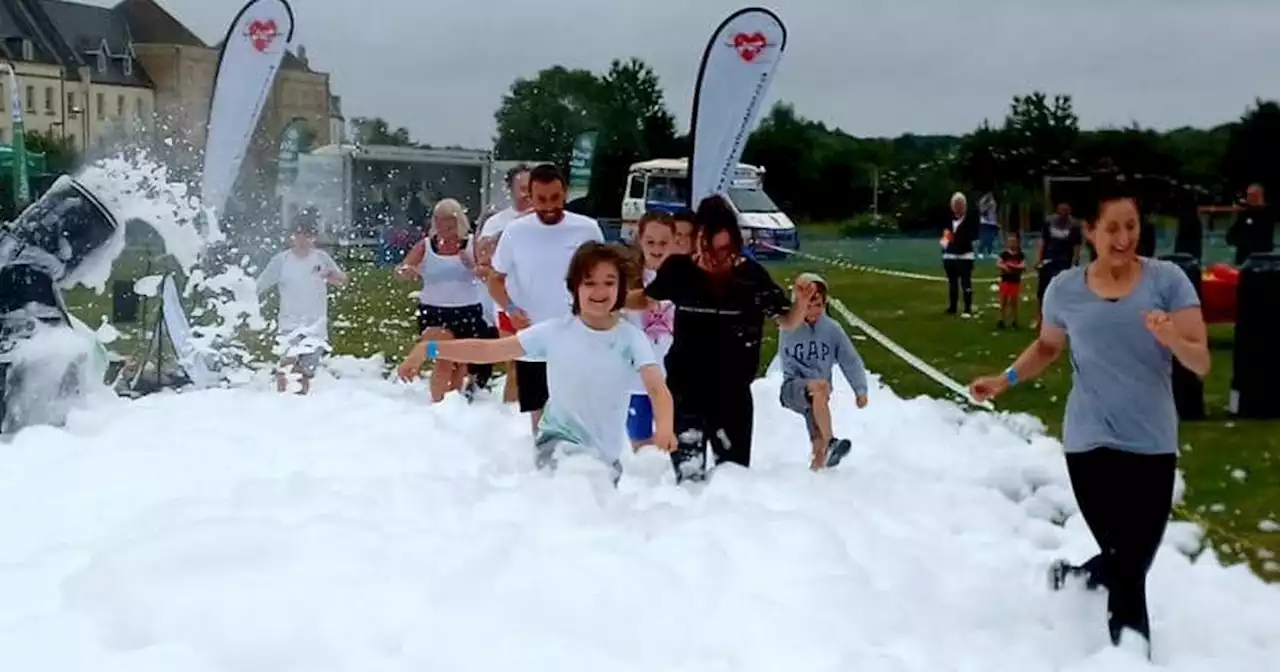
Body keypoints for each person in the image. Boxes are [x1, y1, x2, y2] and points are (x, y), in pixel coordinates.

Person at [967, 184, 1209, 660]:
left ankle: (1078, 578)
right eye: (1113, 228)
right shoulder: (1066, 289)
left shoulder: (1168, 281)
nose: (1124, 237)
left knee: (1133, 557)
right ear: (1091, 231)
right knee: (1127, 565)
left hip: (1153, 441)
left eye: (1132, 226)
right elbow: (1048, 347)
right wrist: (1006, 378)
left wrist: (1171, 338)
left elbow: (1200, 361)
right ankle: (1132, 658)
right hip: (1089, 441)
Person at [398, 242, 676, 481]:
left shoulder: (630, 338)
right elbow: (490, 350)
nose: (599, 291)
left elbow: (656, 388)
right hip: (557, 443)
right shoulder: (555, 332)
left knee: (593, 522)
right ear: (574, 288)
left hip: (607, 456)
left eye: (609, 282)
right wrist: (431, 349)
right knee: (577, 484)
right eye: (589, 282)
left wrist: (664, 427)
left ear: (621, 288)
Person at [633, 195, 808, 482]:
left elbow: (786, 321)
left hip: (732, 393)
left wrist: (800, 303)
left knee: (734, 477)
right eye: (707, 248)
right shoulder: (679, 270)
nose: (715, 259)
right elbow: (645, 300)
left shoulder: (750, 277)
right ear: (694, 239)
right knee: (688, 477)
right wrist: (605, 303)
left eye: (724, 250)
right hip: (685, 390)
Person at [488, 163, 605, 437]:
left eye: (555, 198)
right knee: (540, 415)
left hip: (579, 334)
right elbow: (495, 278)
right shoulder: (516, 232)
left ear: (565, 193)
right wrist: (510, 308)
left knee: (579, 410)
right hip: (534, 335)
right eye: (541, 199)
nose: (549, 206)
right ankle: (543, 470)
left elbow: (606, 277)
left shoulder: (587, 229)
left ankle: (581, 467)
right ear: (530, 196)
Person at [394, 199, 489, 402]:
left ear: (459, 222)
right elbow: (401, 270)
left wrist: (471, 265)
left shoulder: (472, 243)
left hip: (468, 311)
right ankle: (438, 404)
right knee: (444, 358)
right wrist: (408, 272)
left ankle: (454, 403)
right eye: (439, 223)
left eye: (449, 224)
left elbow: (487, 273)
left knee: (460, 363)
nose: (444, 229)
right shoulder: (426, 245)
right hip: (434, 311)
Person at [777, 272, 869, 471]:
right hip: (793, 389)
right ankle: (831, 440)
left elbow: (850, 359)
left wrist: (860, 390)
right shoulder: (789, 325)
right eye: (808, 304)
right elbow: (786, 316)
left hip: (819, 398)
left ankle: (818, 476)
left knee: (818, 448)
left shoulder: (831, 329)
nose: (813, 310)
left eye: (818, 305)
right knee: (819, 386)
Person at [256, 214, 349, 394]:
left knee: (305, 373)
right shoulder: (281, 261)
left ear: (313, 237)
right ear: (291, 236)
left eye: (306, 235)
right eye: (297, 234)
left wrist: (334, 276)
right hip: (289, 322)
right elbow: (259, 285)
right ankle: (281, 401)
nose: (301, 239)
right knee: (287, 366)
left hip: (315, 325)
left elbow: (343, 280)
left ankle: (301, 405)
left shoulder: (321, 258)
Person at [476, 164, 532, 404]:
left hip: (541, 301)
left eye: (531, 188)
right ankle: (511, 416)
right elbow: (482, 266)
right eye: (522, 188)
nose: (527, 193)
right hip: (508, 302)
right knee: (517, 364)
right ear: (510, 190)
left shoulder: (545, 221)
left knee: (542, 366)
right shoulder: (497, 223)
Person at [624, 211, 677, 450]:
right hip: (637, 378)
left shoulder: (683, 277)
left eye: (664, 243)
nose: (657, 249)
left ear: (674, 241)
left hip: (673, 378)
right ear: (640, 240)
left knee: (672, 442)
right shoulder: (627, 277)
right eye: (651, 242)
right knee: (641, 445)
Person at [1036, 202, 1083, 325]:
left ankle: (1063, 320)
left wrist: (1074, 263)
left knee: (1064, 292)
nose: (1064, 210)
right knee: (1043, 291)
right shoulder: (1048, 222)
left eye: (1066, 208)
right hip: (1049, 260)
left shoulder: (1074, 225)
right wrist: (1039, 260)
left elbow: (1077, 246)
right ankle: (1040, 319)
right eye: (1062, 208)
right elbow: (1043, 241)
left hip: (1064, 262)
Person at [941, 192, 979, 316]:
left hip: (965, 256)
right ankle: (952, 307)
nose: (957, 207)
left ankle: (967, 307)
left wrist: (957, 240)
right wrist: (945, 247)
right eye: (955, 205)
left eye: (960, 205)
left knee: (966, 282)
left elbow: (973, 235)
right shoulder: (948, 219)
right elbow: (946, 236)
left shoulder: (971, 219)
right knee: (952, 283)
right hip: (950, 255)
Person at [1226, 182, 1275, 265]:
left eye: (1252, 195)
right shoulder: (1245, 213)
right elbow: (1231, 238)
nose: (1249, 198)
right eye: (1249, 195)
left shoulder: (1266, 213)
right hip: (1245, 257)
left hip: (1258, 257)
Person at [996, 232, 1026, 329]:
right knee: (1003, 300)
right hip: (1005, 280)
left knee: (1014, 300)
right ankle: (1001, 319)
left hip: (1015, 281)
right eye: (1010, 241)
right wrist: (1005, 267)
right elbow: (998, 263)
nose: (1012, 243)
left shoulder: (1020, 255)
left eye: (1014, 241)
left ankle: (1014, 320)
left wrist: (1014, 267)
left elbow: (1023, 265)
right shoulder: (1004, 254)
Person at [978, 191, 1000, 258]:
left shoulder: (993, 202)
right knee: (985, 238)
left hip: (992, 222)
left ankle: (990, 252)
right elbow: (982, 210)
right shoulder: (983, 201)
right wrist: (988, 205)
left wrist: (996, 222)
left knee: (992, 238)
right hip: (985, 222)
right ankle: (980, 252)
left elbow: (993, 213)